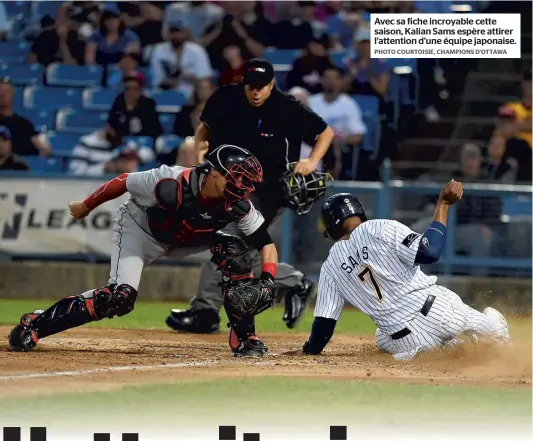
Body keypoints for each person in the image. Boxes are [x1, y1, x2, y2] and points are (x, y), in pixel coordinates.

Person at [9, 145, 279, 358]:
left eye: (246, 181)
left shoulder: (239, 205)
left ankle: (245, 337)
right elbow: (123, 181)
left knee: (236, 253)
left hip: (189, 240)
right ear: (215, 173)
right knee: (118, 299)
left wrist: (268, 280)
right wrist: (87, 205)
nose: (242, 187)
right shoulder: (169, 181)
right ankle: (36, 324)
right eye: (237, 178)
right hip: (141, 231)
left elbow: (266, 244)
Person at [165, 58, 334, 334]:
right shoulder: (225, 99)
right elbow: (202, 130)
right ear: (243, 84)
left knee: (225, 238)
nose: (256, 92)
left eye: (262, 87)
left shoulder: (286, 107)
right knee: (244, 254)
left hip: (267, 193)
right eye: (251, 87)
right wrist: (199, 157)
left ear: (271, 85)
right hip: (224, 185)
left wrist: (312, 161)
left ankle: (204, 311)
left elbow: (326, 133)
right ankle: (295, 282)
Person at [294, 183, 510, 361]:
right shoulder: (379, 227)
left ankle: (443, 349)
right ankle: (491, 336)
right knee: (492, 324)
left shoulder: (330, 266)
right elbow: (430, 252)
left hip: (407, 340)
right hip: (441, 313)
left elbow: (323, 326)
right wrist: (443, 204)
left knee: (382, 336)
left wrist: (309, 349)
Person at [309, 67, 366, 180]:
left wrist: (340, 140)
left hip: (339, 147)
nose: (330, 81)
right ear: (321, 80)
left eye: (334, 78)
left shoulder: (349, 104)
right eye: (327, 77)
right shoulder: (312, 102)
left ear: (341, 81)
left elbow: (359, 135)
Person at [150, 18, 213, 101]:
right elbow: (156, 79)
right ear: (168, 33)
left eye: (179, 32)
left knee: (204, 86)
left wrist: (186, 76)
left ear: (186, 33)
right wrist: (168, 82)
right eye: (173, 32)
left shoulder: (197, 50)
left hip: (191, 90)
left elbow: (204, 77)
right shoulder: (159, 50)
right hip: (166, 90)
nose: (176, 35)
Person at [106, 71, 163, 145]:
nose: (131, 92)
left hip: (143, 145)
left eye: (135, 89)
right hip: (119, 143)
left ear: (141, 90)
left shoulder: (148, 104)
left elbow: (154, 131)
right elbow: (111, 125)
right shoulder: (119, 101)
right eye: (127, 89)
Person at [0, 77, 52, 157]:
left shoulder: (23, 123)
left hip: (21, 166)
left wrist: (43, 147)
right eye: (0, 92)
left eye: (7, 92)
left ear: (13, 95)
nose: (3, 95)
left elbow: (41, 145)